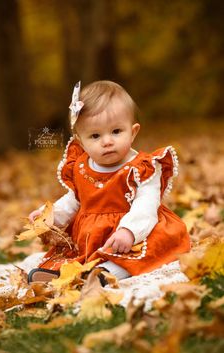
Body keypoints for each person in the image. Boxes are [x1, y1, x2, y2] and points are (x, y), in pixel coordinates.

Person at [28, 80, 190, 283]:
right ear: (81, 142)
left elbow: (146, 205)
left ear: (133, 132)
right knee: (73, 252)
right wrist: (50, 216)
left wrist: (128, 231)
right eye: (95, 135)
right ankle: (62, 273)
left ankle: (109, 271)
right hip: (93, 235)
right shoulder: (81, 167)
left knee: (145, 250)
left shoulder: (142, 168)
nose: (107, 141)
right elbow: (75, 200)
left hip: (137, 229)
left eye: (116, 131)